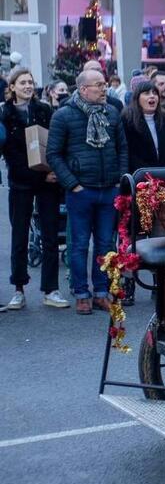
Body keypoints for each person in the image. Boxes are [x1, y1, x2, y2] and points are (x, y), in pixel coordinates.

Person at [47, 69, 128, 314]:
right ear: (83, 89)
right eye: (98, 85)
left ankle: (101, 293)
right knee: (80, 245)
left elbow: (122, 149)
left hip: (108, 189)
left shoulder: (112, 113)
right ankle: (82, 293)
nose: (104, 89)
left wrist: (119, 182)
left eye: (104, 84)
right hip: (81, 191)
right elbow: (54, 154)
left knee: (106, 244)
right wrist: (73, 184)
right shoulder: (63, 116)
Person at [0, 68, 68, 310]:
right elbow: (11, 156)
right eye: (23, 82)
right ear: (13, 87)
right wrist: (41, 175)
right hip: (21, 183)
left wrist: (54, 172)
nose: (28, 86)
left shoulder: (44, 110)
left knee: (50, 236)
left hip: (47, 183)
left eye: (30, 82)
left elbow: (56, 143)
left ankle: (51, 289)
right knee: (19, 236)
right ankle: (18, 289)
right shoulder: (4, 114)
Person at [122, 79, 165, 173]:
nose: (152, 96)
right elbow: (129, 154)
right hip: (140, 176)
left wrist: (164, 172)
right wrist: (149, 173)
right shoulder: (128, 120)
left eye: (154, 93)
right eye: (147, 93)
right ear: (137, 98)